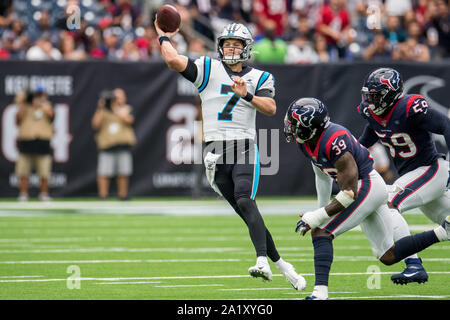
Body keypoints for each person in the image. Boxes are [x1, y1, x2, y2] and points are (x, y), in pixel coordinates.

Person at [155, 20, 306, 290]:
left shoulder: (260, 77)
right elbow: (173, 61)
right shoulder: (207, 68)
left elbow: (270, 108)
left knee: (246, 200)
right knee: (245, 211)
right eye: (227, 44)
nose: (231, 48)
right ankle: (282, 265)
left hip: (244, 144)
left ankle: (261, 260)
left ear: (247, 48)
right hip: (214, 149)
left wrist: (247, 94)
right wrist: (164, 36)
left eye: (237, 44)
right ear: (220, 46)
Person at [284, 97, 450, 300]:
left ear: (310, 126)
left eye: (295, 124)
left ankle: (320, 294)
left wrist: (318, 217)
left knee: (321, 233)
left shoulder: (335, 140)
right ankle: (443, 231)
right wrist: (321, 209)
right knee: (388, 255)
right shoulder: (308, 142)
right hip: (364, 188)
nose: (290, 127)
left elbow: (348, 194)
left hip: (367, 186)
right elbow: (321, 174)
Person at [358, 67, 450, 284]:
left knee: (388, 202)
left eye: (375, 95)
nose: (370, 101)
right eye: (368, 95)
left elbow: (445, 125)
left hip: (430, 169)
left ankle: (414, 265)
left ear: (390, 94)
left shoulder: (409, 107)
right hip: (414, 176)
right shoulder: (371, 113)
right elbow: (368, 139)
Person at [91, 88, 136, 200]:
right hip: (107, 145)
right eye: (115, 97)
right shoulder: (103, 111)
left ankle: (123, 195)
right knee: (104, 172)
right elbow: (95, 125)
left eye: (120, 97)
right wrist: (100, 107)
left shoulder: (127, 109)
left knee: (123, 172)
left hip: (123, 145)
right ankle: (103, 195)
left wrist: (115, 108)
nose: (117, 99)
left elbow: (129, 120)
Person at [15, 87, 54, 202]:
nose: (36, 97)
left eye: (39, 95)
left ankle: (44, 194)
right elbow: (18, 119)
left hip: (42, 142)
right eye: (35, 95)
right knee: (23, 170)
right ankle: (23, 194)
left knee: (44, 171)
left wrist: (40, 104)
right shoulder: (24, 106)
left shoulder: (46, 105)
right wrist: (24, 100)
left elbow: (51, 115)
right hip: (26, 141)